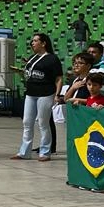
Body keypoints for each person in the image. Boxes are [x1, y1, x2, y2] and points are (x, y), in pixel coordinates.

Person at [11, 33, 62, 162]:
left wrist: (57, 94)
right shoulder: (33, 58)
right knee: (27, 122)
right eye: (32, 41)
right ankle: (24, 152)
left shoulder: (52, 59)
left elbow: (59, 78)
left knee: (43, 123)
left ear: (43, 43)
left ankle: (45, 152)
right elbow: (30, 75)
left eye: (35, 41)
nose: (32, 43)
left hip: (45, 93)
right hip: (31, 93)